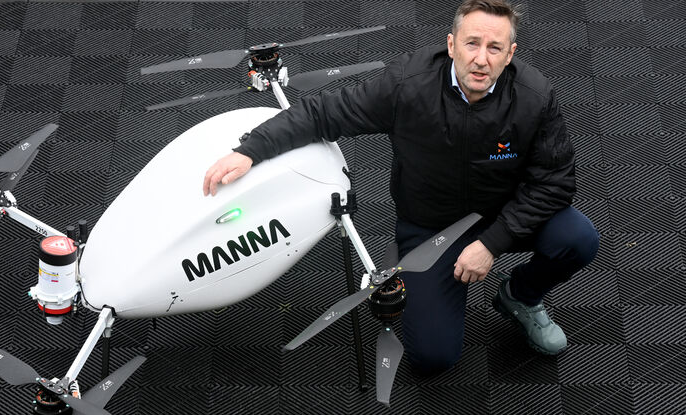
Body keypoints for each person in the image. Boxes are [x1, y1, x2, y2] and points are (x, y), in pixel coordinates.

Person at [202, 0, 599, 376]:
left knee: (578, 238)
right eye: (472, 43)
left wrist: (492, 243)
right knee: (432, 358)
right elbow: (324, 112)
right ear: (451, 45)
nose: (481, 59)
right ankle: (418, 271)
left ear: (510, 54)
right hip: (431, 228)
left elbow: (556, 182)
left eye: (495, 48)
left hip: (502, 215)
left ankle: (521, 297)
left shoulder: (533, 96)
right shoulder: (408, 85)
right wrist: (251, 150)